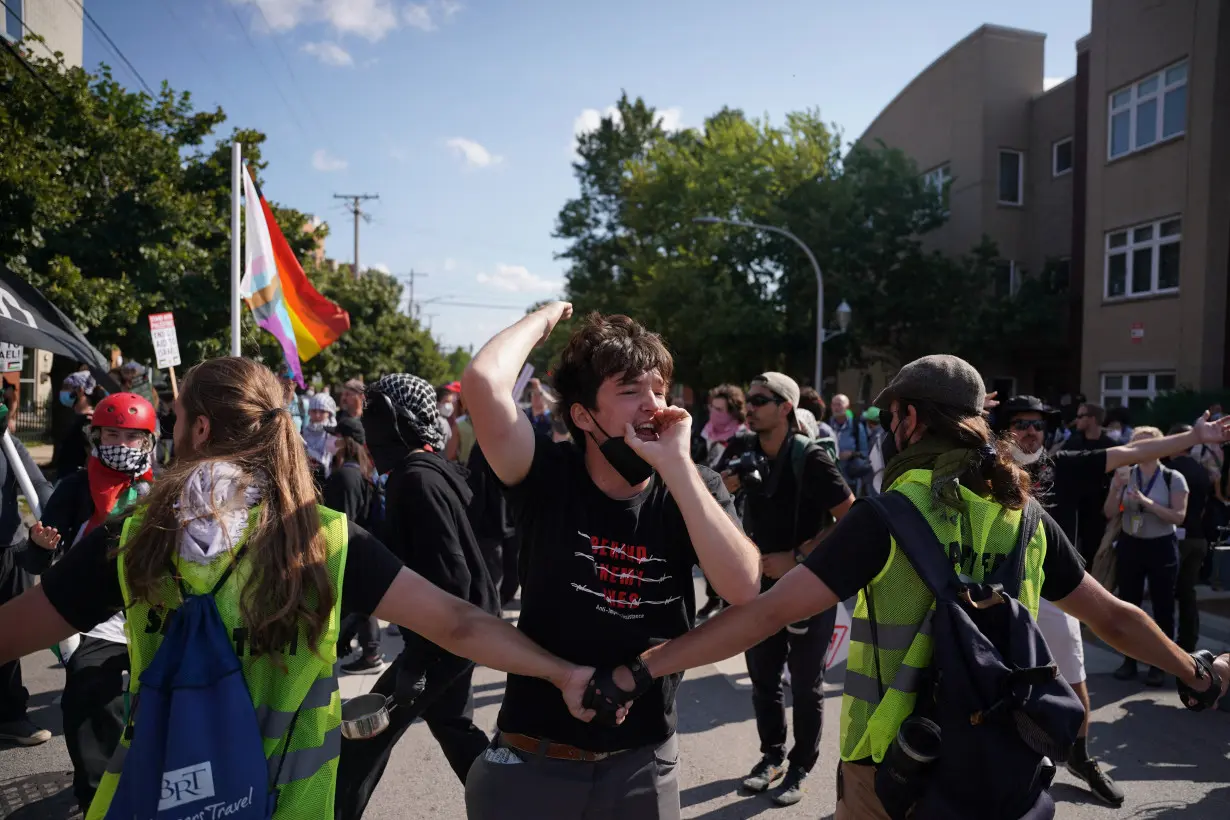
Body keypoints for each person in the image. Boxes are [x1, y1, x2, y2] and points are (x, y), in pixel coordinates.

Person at [583, 355, 1229, 820]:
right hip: (1005, 766)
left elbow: (763, 613)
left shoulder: (889, 514)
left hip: (892, 773)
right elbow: (1112, 617)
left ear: (909, 419)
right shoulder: (1025, 516)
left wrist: (644, 669)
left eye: (893, 417)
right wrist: (1194, 671)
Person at [0, 357, 611, 820]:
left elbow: (15, 630)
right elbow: (460, 623)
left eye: (177, 419)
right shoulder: (327, 541)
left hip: (157, 794)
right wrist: (561, 672)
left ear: (202, 429)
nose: (170, 432)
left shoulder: (135, 538)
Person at [461, 304, 760, 819]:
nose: (653, 406)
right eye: (629, 392)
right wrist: (545, 318)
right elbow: (483, 382)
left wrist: (677, 466)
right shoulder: (548, 473)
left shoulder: (692, 486)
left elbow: (743, 587)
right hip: (533, 759)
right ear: (582, 415)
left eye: (660, 391)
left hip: (643, 763)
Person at [995, 396, 1230, 805]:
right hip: (999, 595)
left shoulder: (1061, 465)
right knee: (993, 685)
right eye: (1020, 423)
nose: (1030, 431)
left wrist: (1193, 436)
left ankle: (1081, 758)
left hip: (1057, 592)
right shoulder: (986, 470)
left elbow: (1132, 451)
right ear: (1004, 429)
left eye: (1037, 424)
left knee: (1074, 678)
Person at [334, 373, 499, 818]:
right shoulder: (428, 468)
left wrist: (420, 662)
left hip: (447, 639)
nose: (363, 422)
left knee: (360, 748)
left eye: (372, 412)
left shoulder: (414, 478)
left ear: (394, 419)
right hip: (459, 635)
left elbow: (453, 581)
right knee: (455, 726)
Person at [716, 372, 853, 806]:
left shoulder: (810, 458)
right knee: (763, 677)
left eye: (761, 399)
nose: (751, 406)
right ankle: (771, 756)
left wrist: (798, 555)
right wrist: (724, 486)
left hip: (808, 584)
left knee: (806, 684)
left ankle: (800, 767)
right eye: (750, 398)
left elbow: (850, 515)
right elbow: (708, 499)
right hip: (756, 584)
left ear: (786, 408)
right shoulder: (741, 450)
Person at [17, 392, 157, 810]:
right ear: (95, 436)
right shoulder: (75, 488)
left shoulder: (164, 488)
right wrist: (40, 545)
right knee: (90, 700)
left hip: (151, 613)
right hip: (95, 619)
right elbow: (36, 560)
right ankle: (96, 796)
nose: (120, 443)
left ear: (148, 442)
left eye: (131, 437)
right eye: (111, 433)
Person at [1104, 426, 1189, 686]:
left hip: (1161, 545)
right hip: (1131, 544)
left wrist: (1146, 501)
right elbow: (1109, 512)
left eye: (1147, 445)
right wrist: (1116, 489)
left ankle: (1160, 664)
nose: (1140, 450)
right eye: (1136, 445)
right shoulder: (1125, 474)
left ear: (1160, 448)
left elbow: (1178, 516)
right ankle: (1129, 660)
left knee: (1163, 605)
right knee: (1128, 605)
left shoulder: (1173, 477)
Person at [0, 429, 52, 746]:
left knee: (9, 637)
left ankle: (9, 715)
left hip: (10, 549)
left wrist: (55, 516)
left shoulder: (8, 443)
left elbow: (40, 487)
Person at [325, 415, 385, 676]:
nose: (331, 441)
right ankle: (369, 651)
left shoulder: (344, 478)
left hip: (347, 551)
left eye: (335, 436)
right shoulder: (363, 473)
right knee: (364, 603)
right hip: (363, 547)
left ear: (346, 442)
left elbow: (341, 522)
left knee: (357, 605)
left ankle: (368, 652)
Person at [1163, 423, 1212, 653]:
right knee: (1187, 592)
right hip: (1198, 537)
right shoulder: (1202, 470)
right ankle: (1189, 641)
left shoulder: (1170, 471)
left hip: (1176, 537)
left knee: (1164, 592)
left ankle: (1167, 644)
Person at [53, 370, 98, 480]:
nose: (63, 391)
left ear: (80, 390)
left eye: (67, 387)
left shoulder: (88, 422)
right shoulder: (78, 419)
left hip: (74, 480)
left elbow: (92, 455)